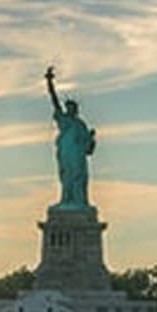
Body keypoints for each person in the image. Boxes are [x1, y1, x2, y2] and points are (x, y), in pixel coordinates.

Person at [45, 66, 95, 207]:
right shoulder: (63, 120)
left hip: (77, 155)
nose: (70, 109)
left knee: (79, 177)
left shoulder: (80, 124)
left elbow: (88, 149)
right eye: (68, 107)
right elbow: (54, 101)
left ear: (76, 109)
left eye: (73, 107)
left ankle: (78, 201)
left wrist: (91, 138)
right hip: (66, 153)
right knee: (66, 177)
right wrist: (49, 82)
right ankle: (66, 200)